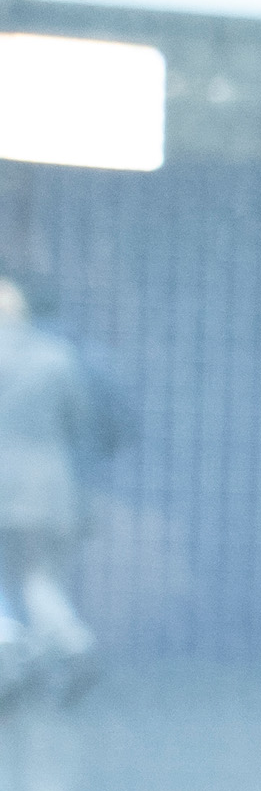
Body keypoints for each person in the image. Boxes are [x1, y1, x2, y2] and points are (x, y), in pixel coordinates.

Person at [0, 280, 121, 703]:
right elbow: (81, 423)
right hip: (50, 485)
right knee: (39, 575)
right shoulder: (56, 356)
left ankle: (8, 643)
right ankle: (72, 642)